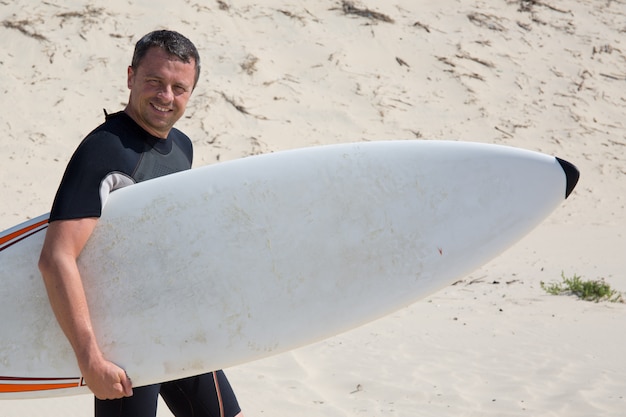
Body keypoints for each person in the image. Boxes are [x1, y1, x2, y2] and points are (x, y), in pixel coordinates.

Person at [38, 30, 243, 417]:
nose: (166, 96)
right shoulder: (105, 150)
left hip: (176, 326)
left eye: (178, 87)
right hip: (125, 340)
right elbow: (57, 257)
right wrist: (89, 359)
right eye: (154, 82)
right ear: (131, 77)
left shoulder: (182, 147)